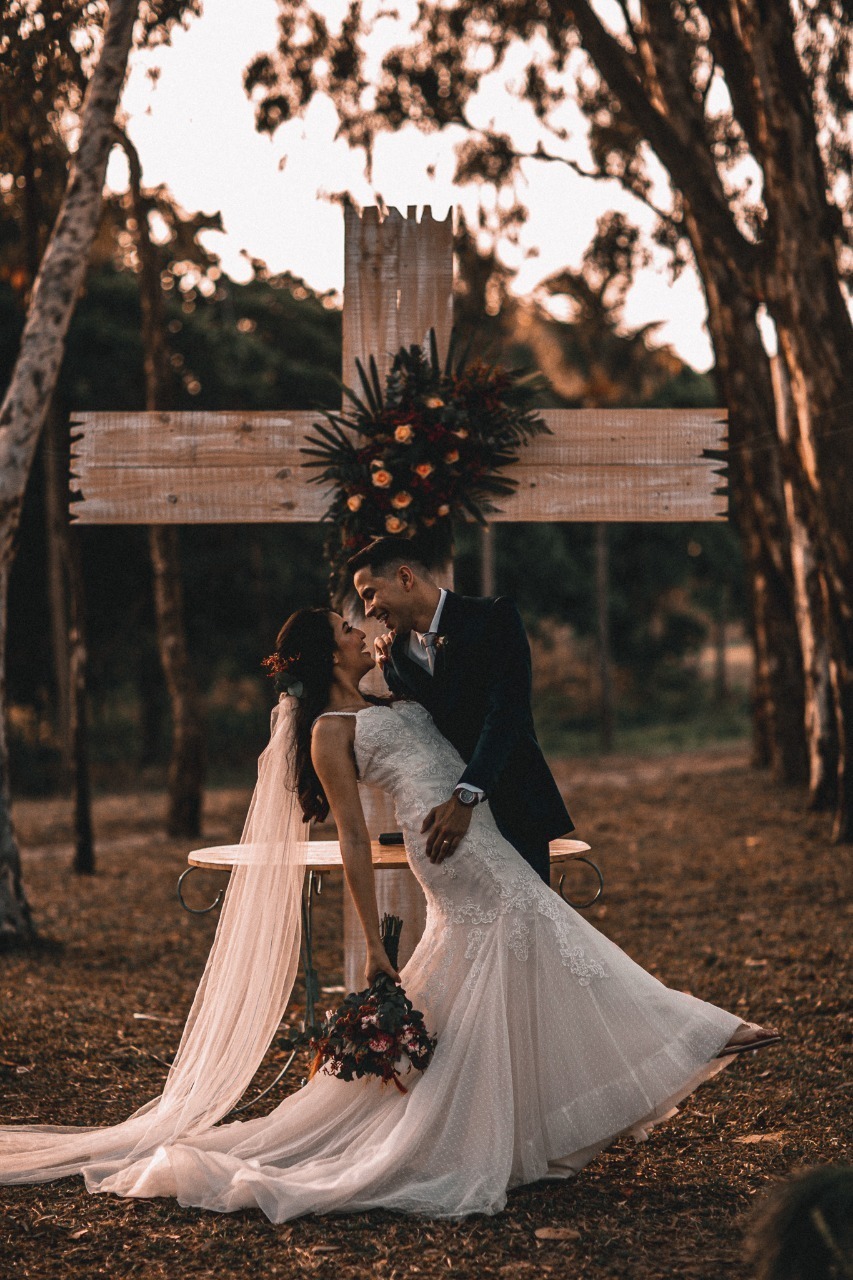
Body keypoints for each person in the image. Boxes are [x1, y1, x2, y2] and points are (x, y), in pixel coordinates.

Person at [1, 604, 780, 1223]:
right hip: (447, 853)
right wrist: (372, 949)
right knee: (546, 928)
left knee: (518, 953)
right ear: (323, 652)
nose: (359, 627)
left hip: (478, 830)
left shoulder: (395, 691)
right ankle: (697, 1030)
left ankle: (512, 1124)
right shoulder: (329, 733)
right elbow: (346, 836)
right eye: (345, 627)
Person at [348, 537, 572, 884]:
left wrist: (465, 797)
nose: (368, 610)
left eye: (370, 594)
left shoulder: (493, 617)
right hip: (448, 827)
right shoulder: (395, 657)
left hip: (514, 803)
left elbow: (507, 713)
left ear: (405, 578)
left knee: (528, 926)